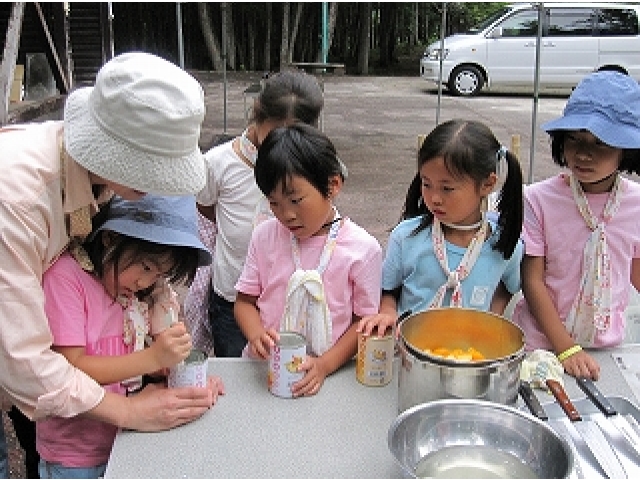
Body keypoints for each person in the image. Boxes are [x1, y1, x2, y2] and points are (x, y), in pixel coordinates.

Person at [0, 51, 218, 439]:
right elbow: (22, 358)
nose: (158, 187)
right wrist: (130, 410)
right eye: (154, 169)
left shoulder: (93, 176)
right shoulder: (18, 200)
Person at [36, 194, 220, 479]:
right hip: (75, 455)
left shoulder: (131, 291)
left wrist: (173, 374)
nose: (145, 282)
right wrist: (151, 358)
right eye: (145, 267)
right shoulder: (66, 278)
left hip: (123, 438)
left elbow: (125, 361)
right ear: (110, 238)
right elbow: (70, 368)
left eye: (159, 273)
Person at [234, 123, 383, 397]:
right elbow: (245, 302)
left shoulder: (363, 250)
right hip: (266, 370)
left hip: (330, 376)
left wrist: (325, 365)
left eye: (295, 199)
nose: (286, 214)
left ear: (333, 185)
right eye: (274, 203)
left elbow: (363, 323)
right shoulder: (265, 236)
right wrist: (256, 334)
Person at [511, 71, 640, 380]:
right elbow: (532, 281)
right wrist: (566, 348)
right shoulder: (537, 199)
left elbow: (636, 273)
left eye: (601, 144)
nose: (584, 154)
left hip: (603, 349)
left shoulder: (636, 204)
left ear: (627, 150)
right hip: (540, 347)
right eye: (574, 140)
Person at [194, 69, 324, 357]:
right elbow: (204, 207)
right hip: (232, 298)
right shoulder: (218, 163)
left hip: (286, 300)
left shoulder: (311, 165)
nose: (284, 144)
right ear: (258, 115)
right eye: (276, 133)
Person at [357, 119, 524, 337]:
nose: (434, 198)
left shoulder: (504, 244)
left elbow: (509, 286)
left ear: (487, 185)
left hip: (469, 356)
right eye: (426, 184)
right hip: (411, 354)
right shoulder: (407, 236)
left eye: (447, 188)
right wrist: (388, 312)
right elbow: (388, 288)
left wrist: (493, 316)